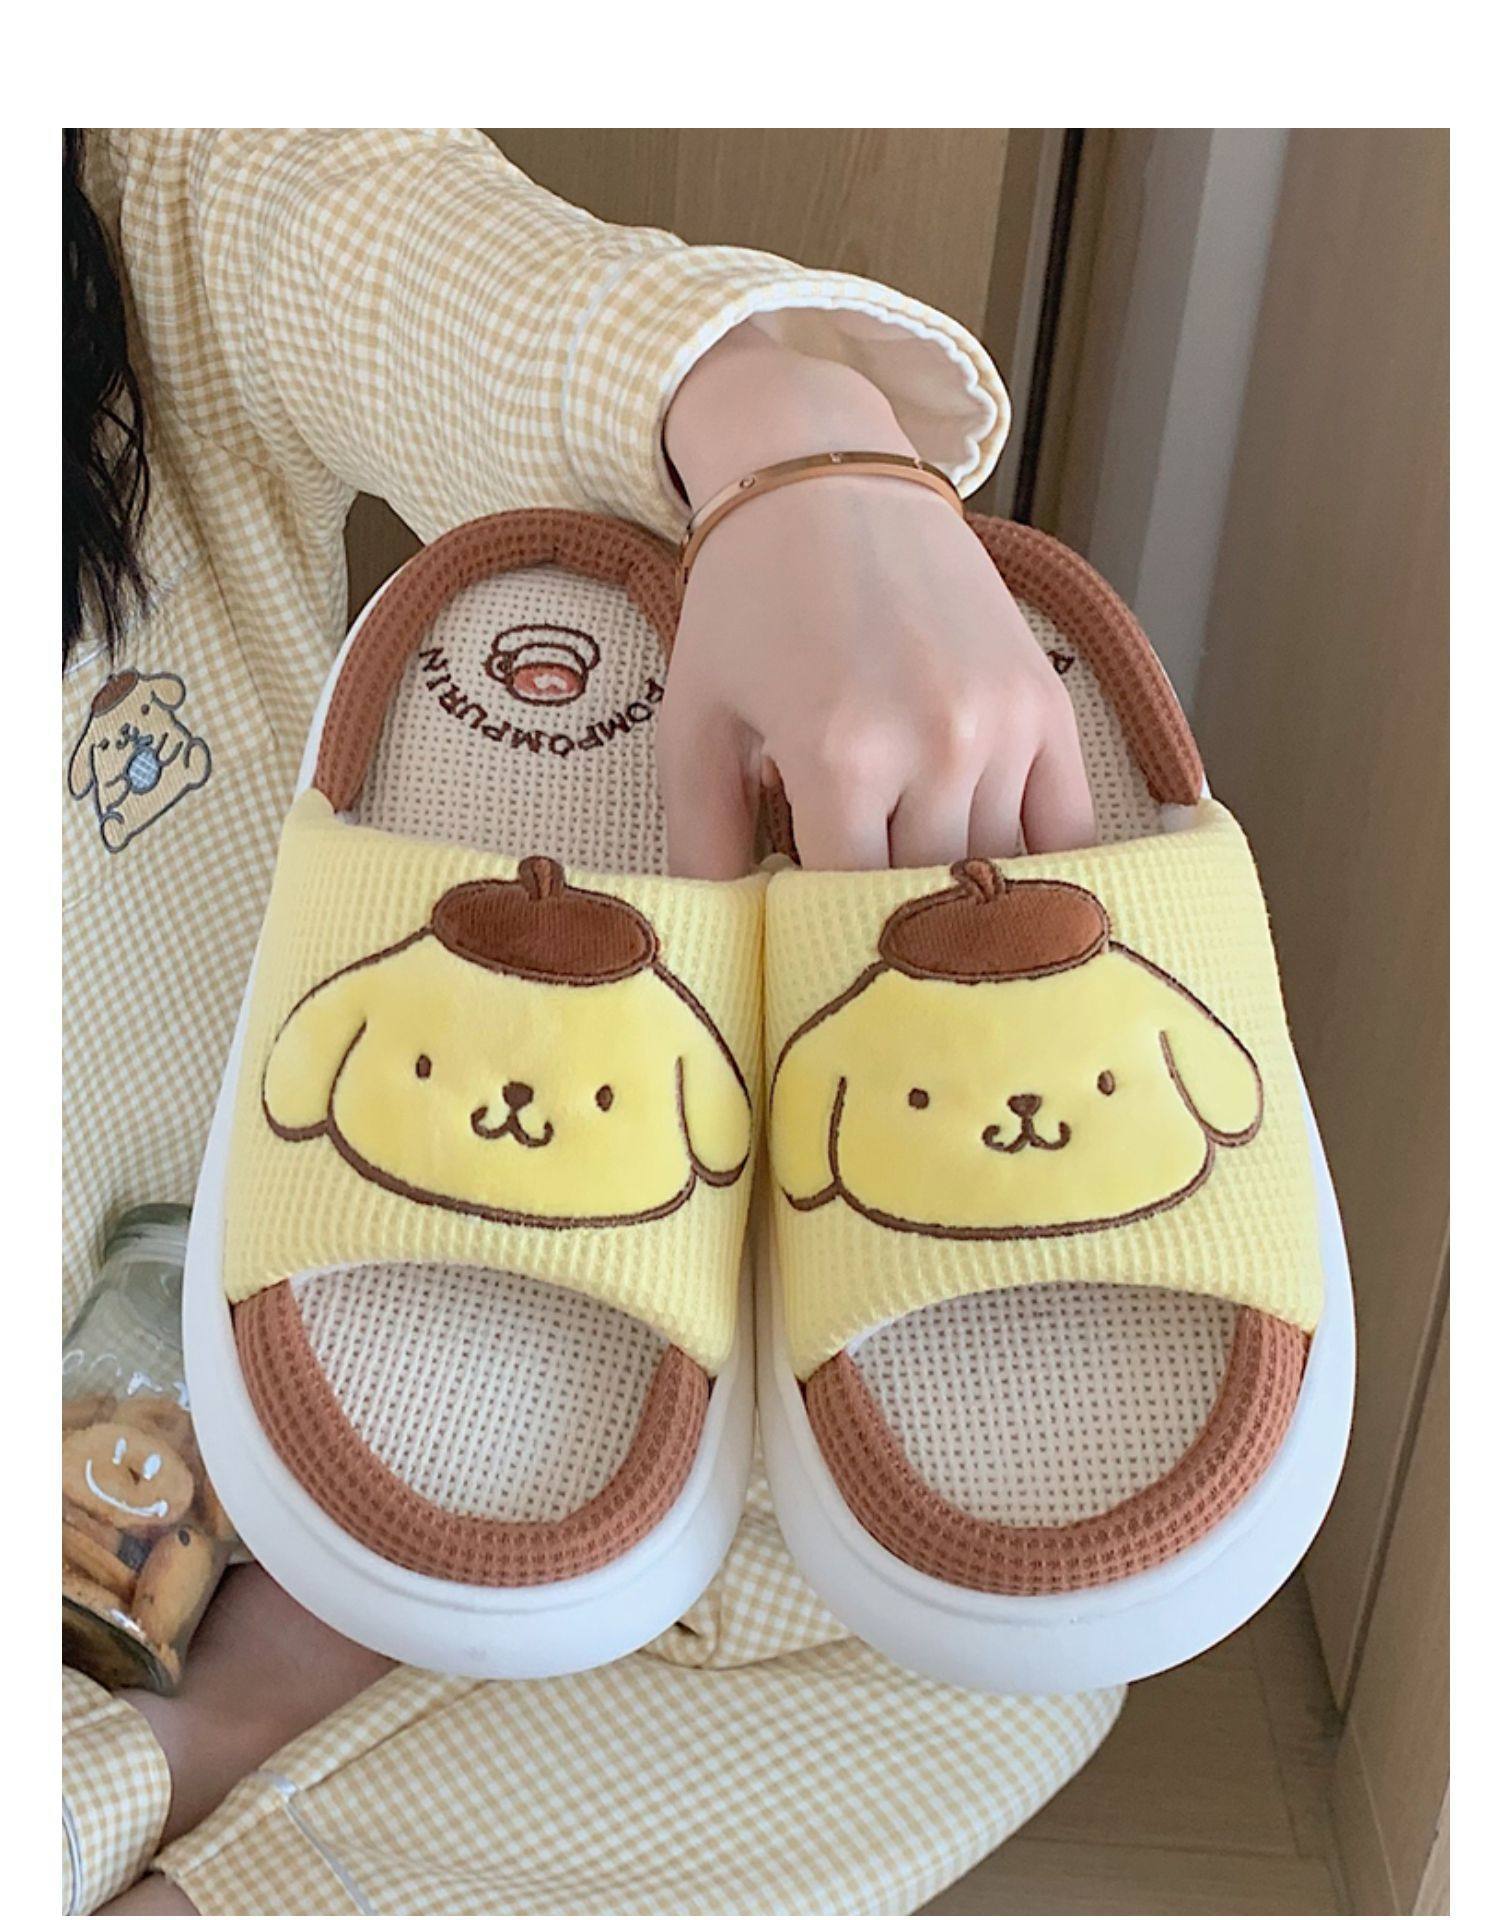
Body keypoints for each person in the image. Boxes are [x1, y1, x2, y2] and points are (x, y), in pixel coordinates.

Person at [63, 128, 1108, 1916]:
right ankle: (197, 1778)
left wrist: (785, 437)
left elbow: (374, 226)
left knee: (1013, 1611)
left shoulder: (123, 183)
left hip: (297, 1343)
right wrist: (192, 1744)